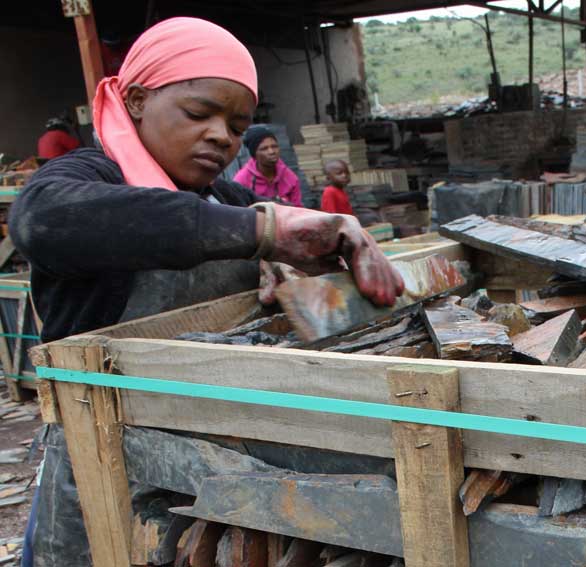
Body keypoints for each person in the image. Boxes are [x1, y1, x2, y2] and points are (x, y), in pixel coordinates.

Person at [10, 17, 403, 566]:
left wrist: (293, 273)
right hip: (101, 462)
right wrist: (261, 232)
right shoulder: (81, 180)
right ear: (139, 99)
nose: (221, 135)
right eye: (199, 114)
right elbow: (40, 222)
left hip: (207, 461)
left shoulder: (224, 197)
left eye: (238, 126)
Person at [233, 125, 302, 206]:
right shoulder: (241, 180)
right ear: (254, 154)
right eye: (264, 148)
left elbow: (298, 209)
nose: (271, 151)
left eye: (274, 146)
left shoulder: (289, 177)